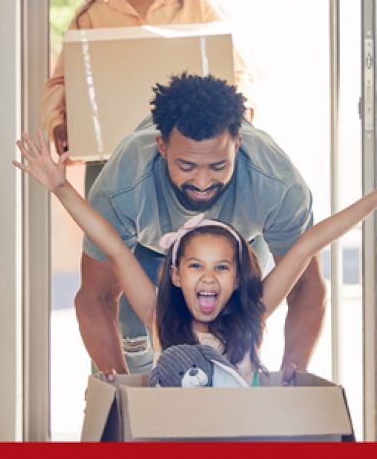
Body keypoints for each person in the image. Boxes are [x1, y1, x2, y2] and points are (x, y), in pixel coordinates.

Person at [13, 131, 377, 384]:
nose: (208, 278)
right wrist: (61, 188)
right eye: (195, 266)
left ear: (238, 278)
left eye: (222, 267)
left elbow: (309, 243)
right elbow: (115, 246)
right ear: (174, 275)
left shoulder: (252, 313)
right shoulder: (158, 316)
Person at [62, 73, 338, 381]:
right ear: (162, 148)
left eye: (218, 166)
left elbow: (306, 285)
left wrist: (292, 373)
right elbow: (95, 296)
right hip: (147, 248)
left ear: (238, 144)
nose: (203, 183)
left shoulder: (276, 184)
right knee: (137, 349)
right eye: (187, 166)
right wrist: (118, 388)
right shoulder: (124, 187)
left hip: (241, 243)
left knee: (235, 352)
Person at [41, 0, 255, 172]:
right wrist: (59, 124)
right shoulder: (91, 13)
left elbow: (237, 74)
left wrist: (237, 119)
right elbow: (60, 83)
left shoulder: (195, 5)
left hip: (185, 161)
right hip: (111, 162)